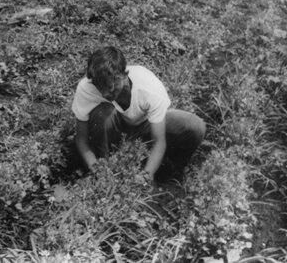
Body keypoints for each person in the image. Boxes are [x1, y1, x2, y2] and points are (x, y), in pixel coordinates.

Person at [71, 46, 207, 182]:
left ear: (124, 75)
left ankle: (170, 172)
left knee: (194, 126)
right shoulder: (86, 88)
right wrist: (96, 168)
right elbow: (81, 139)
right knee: (102, 112)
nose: (106, 93)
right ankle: (106, 166)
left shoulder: (149, 88)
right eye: (100, 86)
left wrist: (146, 175)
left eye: (112, 86)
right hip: (113, 132)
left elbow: (158, 142)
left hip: (145, 128)